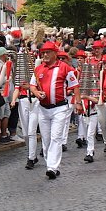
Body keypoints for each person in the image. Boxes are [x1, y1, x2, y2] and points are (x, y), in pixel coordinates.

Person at [29, 42, 82, 179]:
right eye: (43, 53)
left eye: (48, 52)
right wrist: (36, 93)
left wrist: (78, 102)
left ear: (55, 53)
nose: (45, 55)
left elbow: (75, 85)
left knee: (56, 137)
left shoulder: (65, 68)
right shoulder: (39, 69)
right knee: (46, 139)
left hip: (60, 108)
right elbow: (32, 86)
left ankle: (52, 167)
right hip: (43, 109)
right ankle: (50, 165)